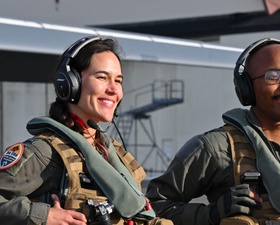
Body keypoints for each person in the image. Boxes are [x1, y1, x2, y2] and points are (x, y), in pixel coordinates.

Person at [146, 38, 280, 225]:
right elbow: (154, 206)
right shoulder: (214, 148)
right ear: (246, 87)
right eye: (273, 76)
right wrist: (212, 214)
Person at [0, 36, 172, 225]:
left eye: (118, 80)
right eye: (102, 77)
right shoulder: (45, 152)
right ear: (70, 84)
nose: (114, 89)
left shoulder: (113, 154)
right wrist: (43, 215)